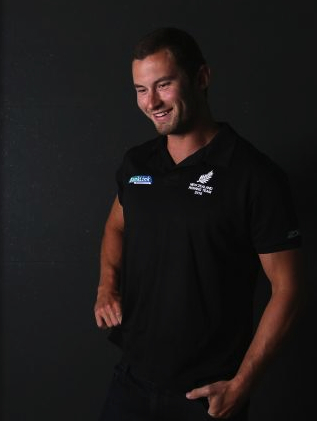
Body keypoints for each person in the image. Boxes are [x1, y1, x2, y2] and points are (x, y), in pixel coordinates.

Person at [94, 27, 303, 421]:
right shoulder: (137, 165)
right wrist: (107, 284)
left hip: (204, 397)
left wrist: (242, 385)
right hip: (132, 381)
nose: (151, 101)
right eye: (140, 89)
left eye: (164, 84)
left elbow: (288, 288)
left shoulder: (254, 176)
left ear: (202, 78)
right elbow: (116, 226)